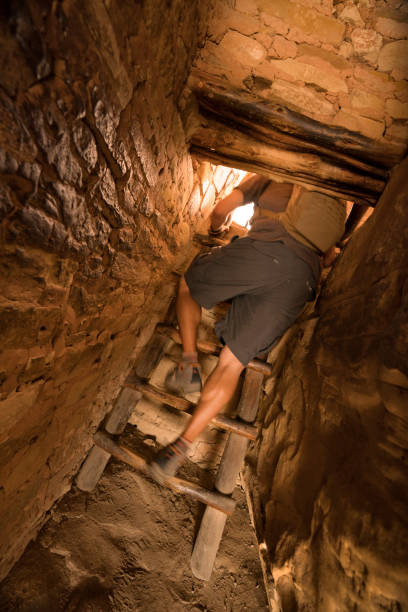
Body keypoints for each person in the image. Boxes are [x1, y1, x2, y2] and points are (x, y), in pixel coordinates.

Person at [149, 173, 348, 484]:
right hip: (302, 279)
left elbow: (220, 210)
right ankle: (181, 446)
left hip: (267, 248)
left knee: (189, 284)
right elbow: (330, 256)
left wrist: (218, 230)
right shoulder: (335, 204)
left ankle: (189, 364)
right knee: (232, 362)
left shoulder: (271, 174)